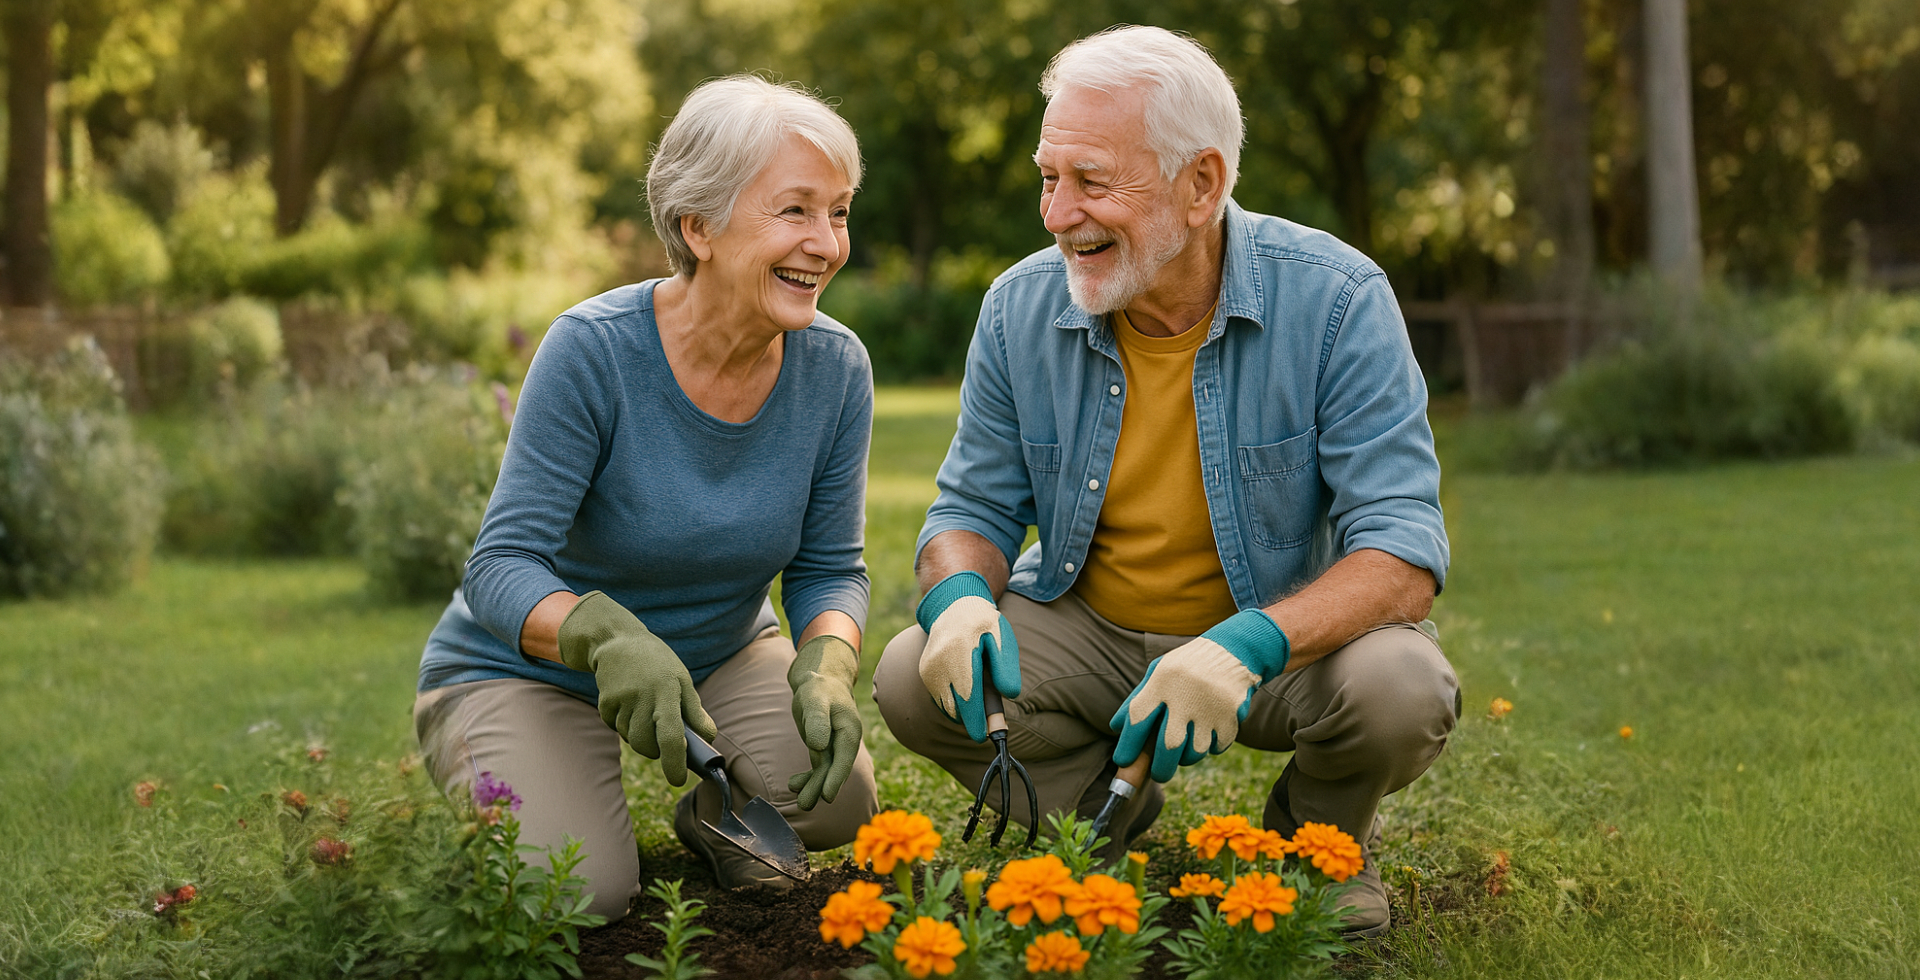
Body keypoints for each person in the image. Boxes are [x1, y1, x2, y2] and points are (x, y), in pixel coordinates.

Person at [873, 26, 1458, 937]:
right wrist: (954, 596)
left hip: (1275, 645)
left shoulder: (1338, 300)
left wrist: (1245, 648)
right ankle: (1099, 824)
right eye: (1048, 177)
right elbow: (973, 506)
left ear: (1202, 185)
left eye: (1093, 182)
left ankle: (1315, 844)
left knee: (1400, 688)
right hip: (1092, 629)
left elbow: (1403, 550)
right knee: (917, 674)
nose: (1058, 213)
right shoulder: (1018, 306)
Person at [412, 74, 879, 921]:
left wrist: (830, 660)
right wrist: (603, 637)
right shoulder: (594, 352)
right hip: (526, 670)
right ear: (697, 226)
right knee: (581, 893)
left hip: (719, 653)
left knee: (837, 798)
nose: (826, 243)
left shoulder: (836, 367)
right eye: (796, 211)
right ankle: (494, 748)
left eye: (839, 212)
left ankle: (709, 812)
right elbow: (500, 566)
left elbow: (830, 567)